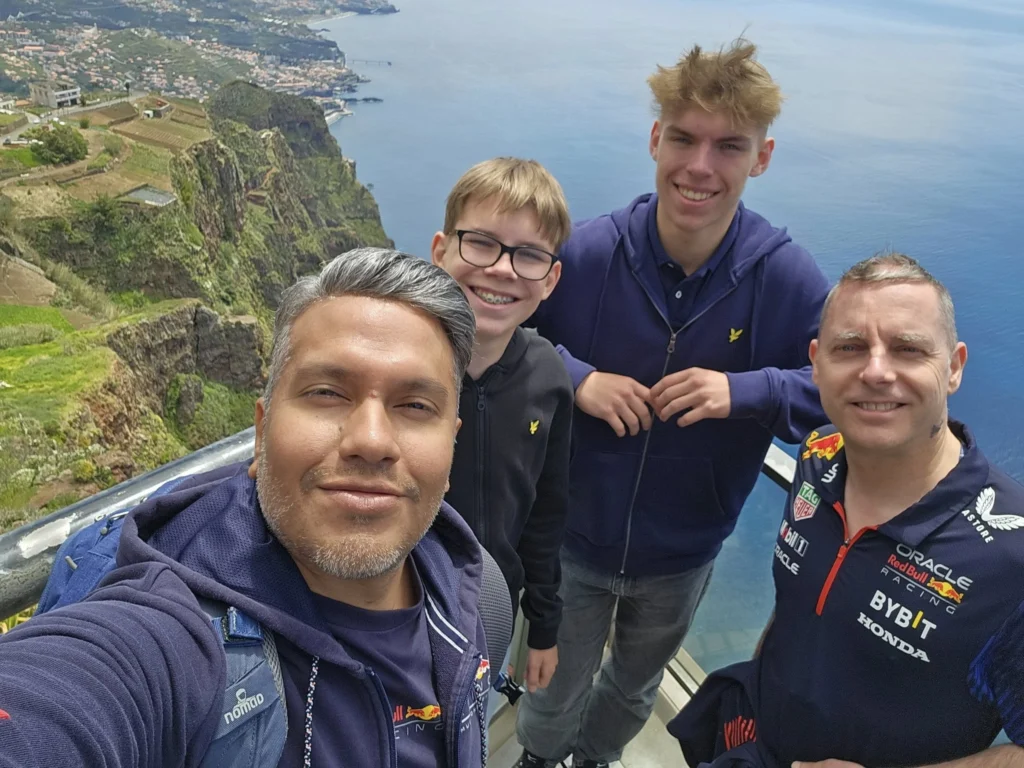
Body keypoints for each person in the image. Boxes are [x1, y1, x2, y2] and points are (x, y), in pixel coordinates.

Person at [0, 248, 503, 768]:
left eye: (416, 406)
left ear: (451, 446)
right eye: (328, 392)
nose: (371, 440)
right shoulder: (168, 641)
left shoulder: (475, 594)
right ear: (261, 434)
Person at [515, 38, 831, 768]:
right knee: (553, 682)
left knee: (633, 687)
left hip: (684, 553)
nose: (700, 166)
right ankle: (538, 757)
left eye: (729, 146)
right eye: (683, 138)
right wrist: (574, 376)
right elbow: (491, 336)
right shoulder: (589, 254)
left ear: (762, 157)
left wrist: (746, 391)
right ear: (656, 139)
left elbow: (842, 394)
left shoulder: (784, 279)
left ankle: (594, 761)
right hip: (571, 537)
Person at [669, 252, 1024, 768]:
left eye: (907, 349)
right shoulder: (818, 455)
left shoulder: (1010, 558)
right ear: (815, 363)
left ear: (954, 368)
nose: (876, 371)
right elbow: (800, 604)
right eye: (850, 347)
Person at [430, 157, 574, 707]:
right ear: (441, 249)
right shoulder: (395, 361)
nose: (503, 269)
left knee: (472, 729)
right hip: (384, 607)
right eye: (482, 243)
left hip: (491, 609)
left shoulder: (548, 377)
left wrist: (542, 625)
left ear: (551, 278)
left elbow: (545, 514)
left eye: (530, 255)